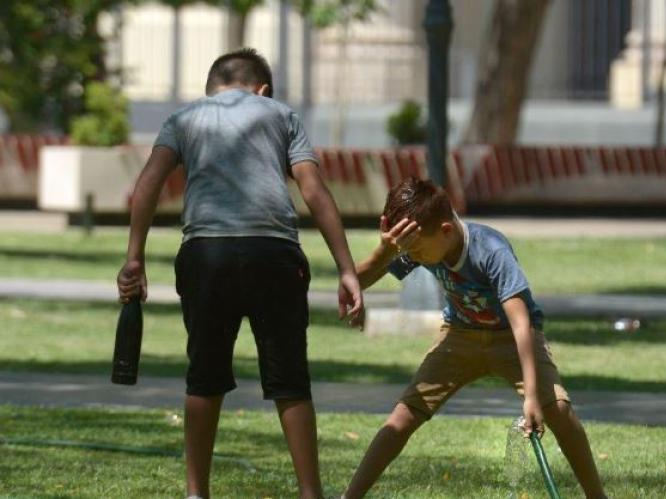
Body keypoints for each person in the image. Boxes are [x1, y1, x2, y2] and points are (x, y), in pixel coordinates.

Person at [116, 48, 364, 499]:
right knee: (290, 380)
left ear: (212, 87)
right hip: (274, 254)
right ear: (262, 89)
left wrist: (135, 255)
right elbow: (314, 189)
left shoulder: (185, 117)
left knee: (204, 376)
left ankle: (197, 493)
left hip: (206, 254)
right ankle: (311, 493)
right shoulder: (280, 113)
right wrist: (347, 270)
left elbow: (148, 182)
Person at [342, 177, 606, 498]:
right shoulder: (421, 244)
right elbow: (354, 282)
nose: (414, 257)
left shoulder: (490, 250)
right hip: (459, 336)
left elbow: (521, 322)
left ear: (446, 230)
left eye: (418, 250)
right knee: (403, 416)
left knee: (559, 411)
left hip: (512, 338)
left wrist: (532, 396)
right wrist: (385, 250)